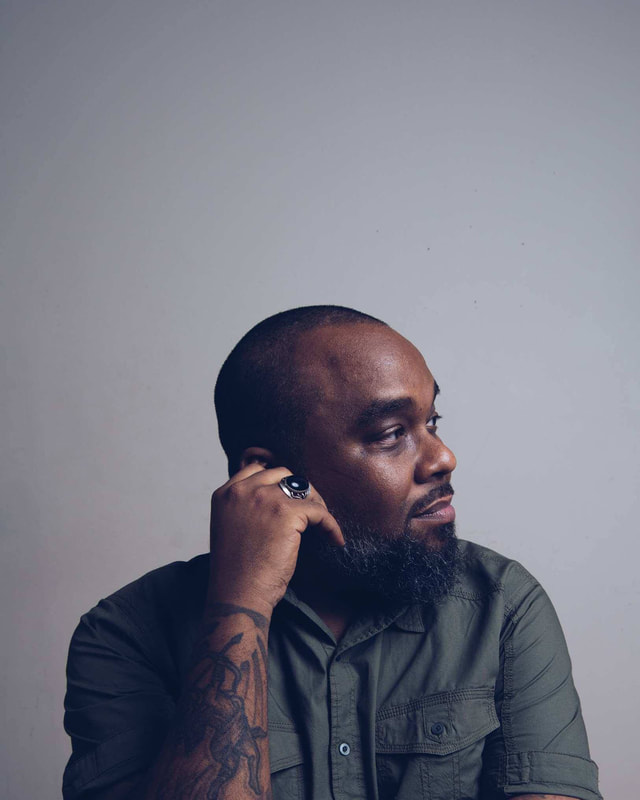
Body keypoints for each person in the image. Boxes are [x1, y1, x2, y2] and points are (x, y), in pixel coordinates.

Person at [63, 305, 601, 800]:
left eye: (432, 422)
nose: (443, 457)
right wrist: (241, 604)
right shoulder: (125, 635)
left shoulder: (501, 606)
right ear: (273, 474)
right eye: (391, 433)